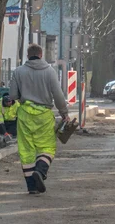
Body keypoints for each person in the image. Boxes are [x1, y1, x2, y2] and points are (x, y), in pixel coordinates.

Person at [9, 44, 70, 194]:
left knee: (26, 150)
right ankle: (40, 171)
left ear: (28, 56)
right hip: (44, 116)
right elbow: (58, 95)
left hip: (24, 115)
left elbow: (13, 96)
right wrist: (64, 113)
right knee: (47, 147)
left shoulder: (18, 72)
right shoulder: (50, 72)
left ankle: (31, 187)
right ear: (41, 55)